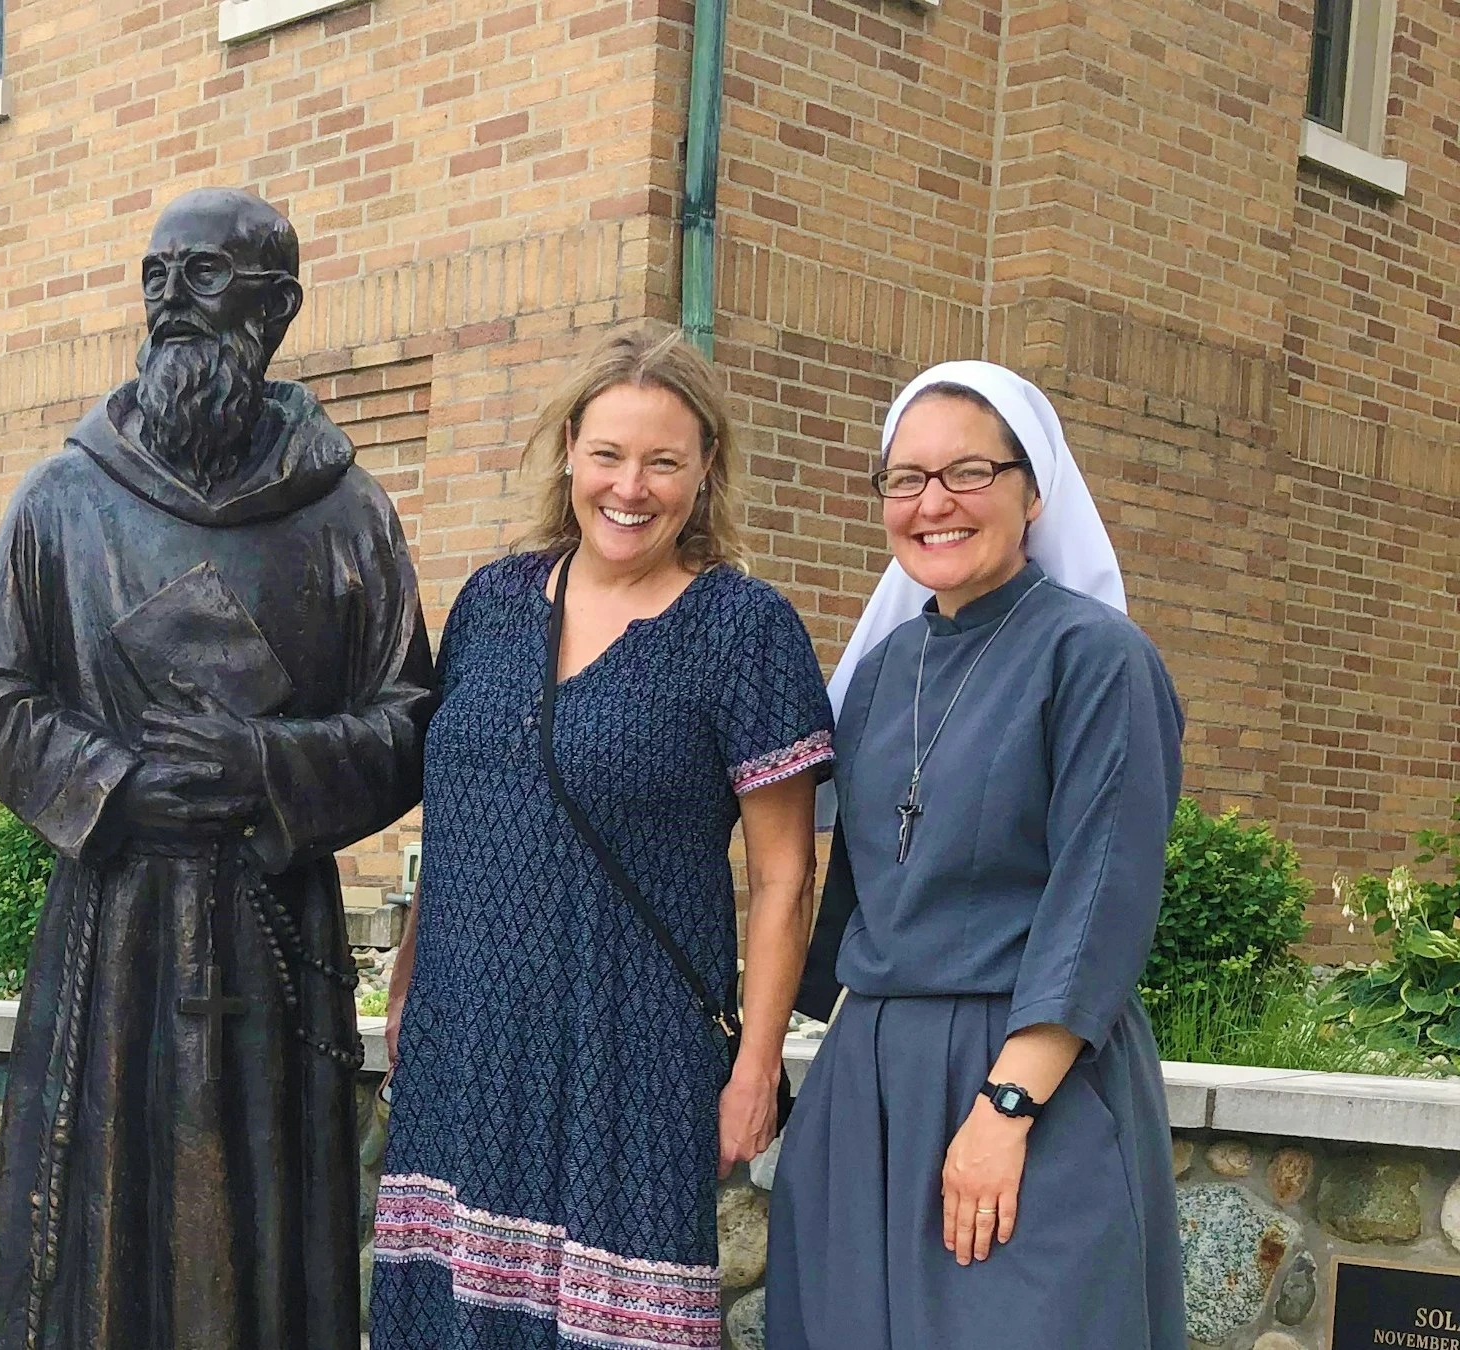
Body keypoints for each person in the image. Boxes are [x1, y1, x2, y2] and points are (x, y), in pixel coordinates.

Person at [0, 187, 436, 1350]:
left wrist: (264, 764)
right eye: (157, 276)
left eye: (205, 276)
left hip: (273, 930)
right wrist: (113, 783)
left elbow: (413, 718)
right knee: (98, 1237)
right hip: (113, 924)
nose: (173, 302)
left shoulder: (349, 515)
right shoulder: (63, 499)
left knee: (267, 1225)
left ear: (276, 308)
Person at [372, 324, 833, 1350]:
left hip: (630, 1052)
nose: (633, 487)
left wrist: (756, 1065)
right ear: (571, 451)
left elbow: (784, 876)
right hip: (467, 1031)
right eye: (611, 454)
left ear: (705, 470)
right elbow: (458, 816)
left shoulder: (743, 630)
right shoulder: (492, 604)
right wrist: (409, 978)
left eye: (665, 461)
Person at [766, 361, 1186, 1349]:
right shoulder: (877, 676)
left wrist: (1005, 1108)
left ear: (1033, 490)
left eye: (969, 473)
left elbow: (1101, 896)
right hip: (870, 1082)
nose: (933, 504)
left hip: (1030, 1084)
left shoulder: (1097, 659)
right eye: (906, 479)